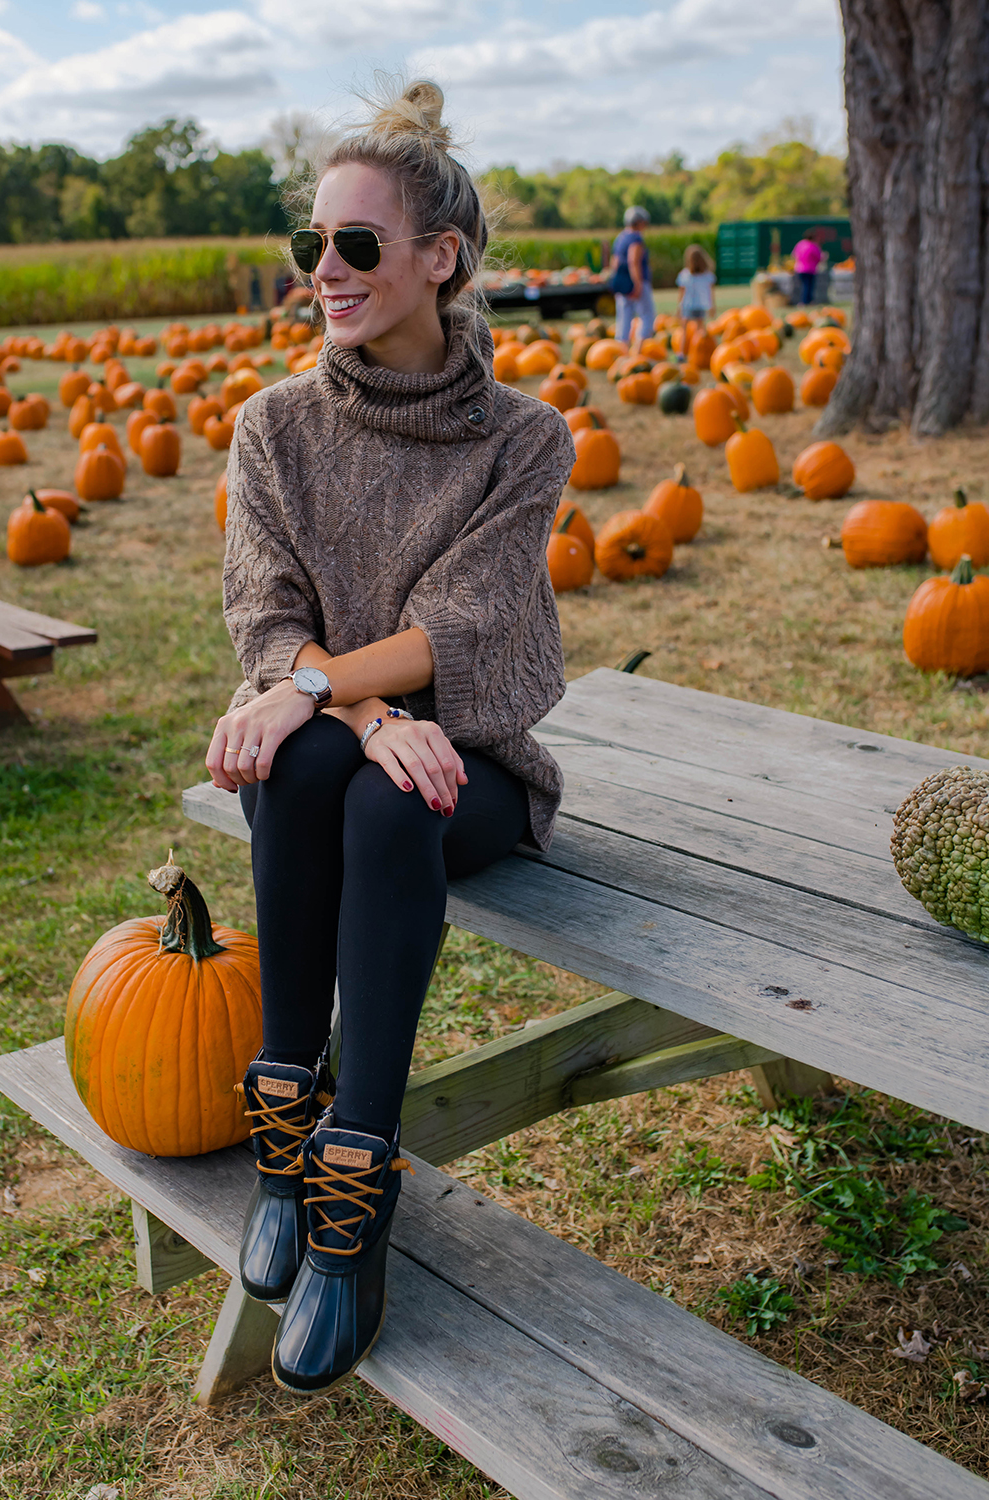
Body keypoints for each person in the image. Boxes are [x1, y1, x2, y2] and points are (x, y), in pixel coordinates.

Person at [207, 78, 574, 1397]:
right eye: (314, 244)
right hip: (344, 743)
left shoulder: (525, 442)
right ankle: (284, 1142)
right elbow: (268, 623)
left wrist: (336, 705)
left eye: (356, 245)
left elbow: (466, 629)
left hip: (466, 767)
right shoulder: (274, 428)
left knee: (381, 795)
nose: (326, 271)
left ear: (441, 259)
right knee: (324, 766)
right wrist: (353, 711)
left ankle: (350, 1197)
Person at [610, 205, 655, 343]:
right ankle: (642, 346)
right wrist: (638, 284)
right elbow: (633, 261)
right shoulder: (636, 239)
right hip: (634, 281)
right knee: (647, 314)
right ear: (639, 222)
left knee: (624, 316)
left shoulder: (620, 238)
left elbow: (615, 262)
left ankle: (621, 347)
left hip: (622, 283)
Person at [676, 243, 716, 326]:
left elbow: (681, 293)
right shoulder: (707, 276)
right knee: (700, 326)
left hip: (688, 305)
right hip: (700, 305)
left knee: (684, 326)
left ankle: (684, 339)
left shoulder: (684, 275)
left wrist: (679, 308)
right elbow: (711, 293)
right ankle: (699, 338)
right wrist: (712, 306)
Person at [792, 231, 823, 306]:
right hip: (810, 269)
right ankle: (806, 301)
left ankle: (805, 301)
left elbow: (794, 255)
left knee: (803, 285)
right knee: (809, 286)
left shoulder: (800, 244)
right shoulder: (813, 246)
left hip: (800, 268)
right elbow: (819, 257)